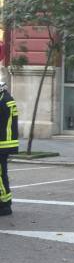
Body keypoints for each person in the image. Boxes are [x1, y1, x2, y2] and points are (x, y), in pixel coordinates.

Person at [0, 82, 19, 216]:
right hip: (6, 144)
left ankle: (4, 205)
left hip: (2, 144)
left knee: (0, 176)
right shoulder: (7, 99)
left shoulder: (3, 101)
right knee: (2, 174)